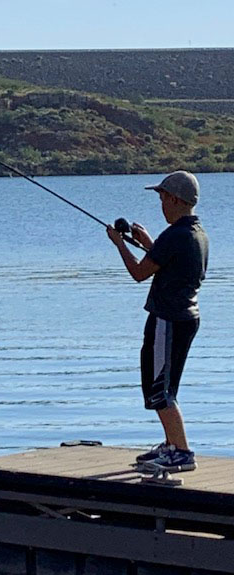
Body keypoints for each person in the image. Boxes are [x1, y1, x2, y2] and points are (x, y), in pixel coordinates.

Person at [106, 170, 209, 472]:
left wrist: (119, 244)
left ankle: (182, 452)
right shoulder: (196, 233)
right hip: (185, 317)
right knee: (164, 385)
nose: (161, 204)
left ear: (176, 200)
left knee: (160, 389)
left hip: (169, 318)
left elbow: (139, 273)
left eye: (163, 197)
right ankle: (171, 445)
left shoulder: (176, 235)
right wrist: (150, 243)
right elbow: (169, 262)